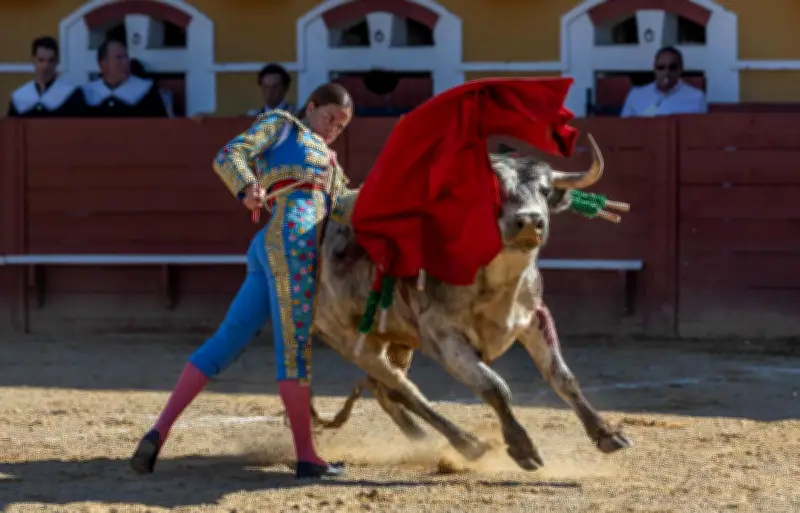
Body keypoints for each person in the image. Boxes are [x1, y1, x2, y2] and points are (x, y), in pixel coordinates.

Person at [130, 82, 357, 479]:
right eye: (329, 118)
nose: (333, 129)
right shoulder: (283, 126)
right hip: (293, 246)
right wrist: (247, 187)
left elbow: (342, 208)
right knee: (293, 351)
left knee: (227, 341)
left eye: (341, 125)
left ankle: (157, 432)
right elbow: (229, 154)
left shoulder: (332, 164)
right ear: (310, 107)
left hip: (272, 246)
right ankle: (307, 457)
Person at [81, 39, 169, 117]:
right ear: (103, 63)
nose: (126, 62)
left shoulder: (147, 92)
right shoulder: (86, 94)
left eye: (126, 57)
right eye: (119, 57)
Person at [7, 36, 88, 117]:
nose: (46, 66)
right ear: (33, 60)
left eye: (51, 60)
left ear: (57, 61)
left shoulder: (71, 95)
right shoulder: (20, 96)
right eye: (41, 60)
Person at [620, 46, 707, 117]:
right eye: (661, 67)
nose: (666, 72)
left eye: (672, 68)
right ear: (655, 69)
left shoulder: (697, 97)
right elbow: (624, 128)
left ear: (680, 69)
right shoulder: (636, 95)